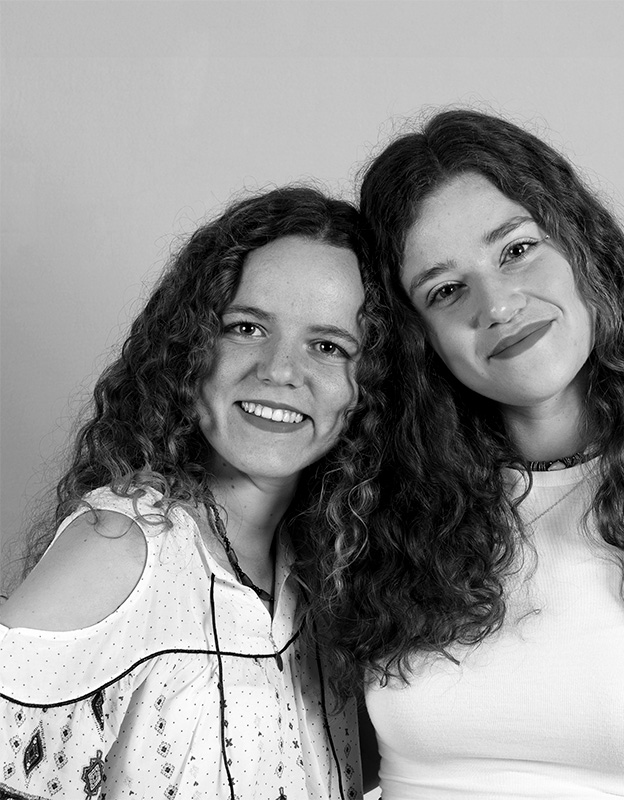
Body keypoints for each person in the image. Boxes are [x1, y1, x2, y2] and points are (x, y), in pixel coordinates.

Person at [300, 110, 624, 799]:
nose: (497, 304)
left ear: (580, 246)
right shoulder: (378, 508)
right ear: (419, 338)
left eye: (515, 250)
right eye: (446, 290)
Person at [0, 187, 378, 799]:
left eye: (329, 346)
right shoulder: (119, 545)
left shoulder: (331, 575)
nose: (280, 370)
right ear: (189, 351)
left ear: (371, 390)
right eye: (247, 327)